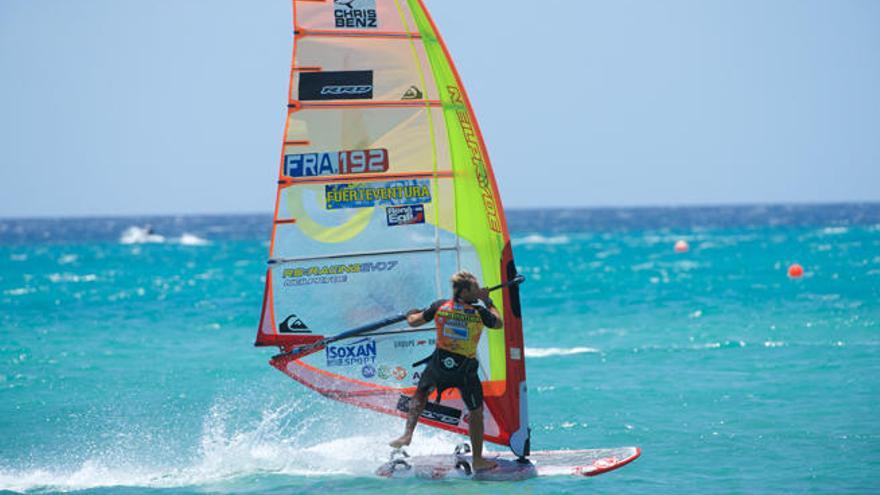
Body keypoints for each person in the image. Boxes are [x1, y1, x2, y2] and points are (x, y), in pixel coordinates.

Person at [389, 270, 504, 472]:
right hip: (464, 371)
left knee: (420, 395)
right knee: (476, 413)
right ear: (465, 291)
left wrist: (410, 312)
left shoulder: (440, 306)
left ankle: (407, 435)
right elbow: (498, 323)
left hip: (439, 366)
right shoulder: (479, 312)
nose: (478, 291)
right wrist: (488, 301)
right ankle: (477, 459)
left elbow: (413, 321)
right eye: (475, 288)